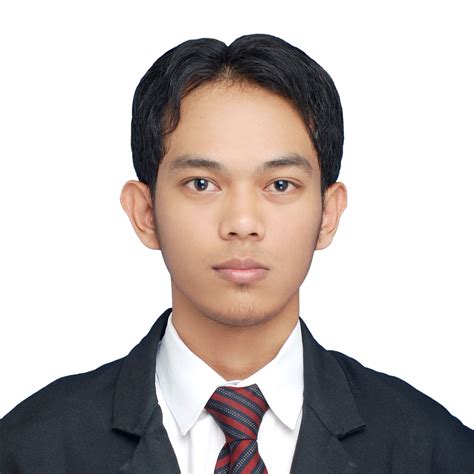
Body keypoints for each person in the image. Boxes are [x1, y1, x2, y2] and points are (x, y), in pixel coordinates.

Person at [0, 33, 473, 474]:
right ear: (145, 213)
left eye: (280, 185)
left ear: (328, 214)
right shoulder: (29, 449)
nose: (243, 222)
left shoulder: (435, 449)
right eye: (201, 184)